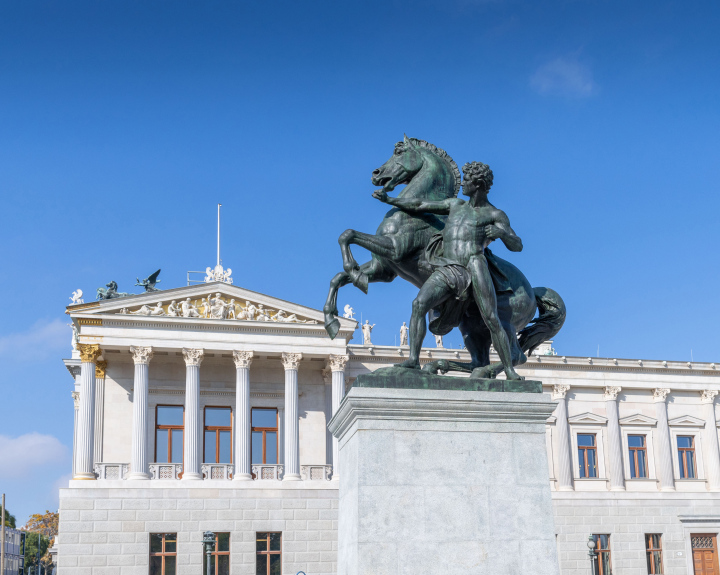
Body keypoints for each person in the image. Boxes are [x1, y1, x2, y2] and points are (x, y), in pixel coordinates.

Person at [373, 161, 524, 380]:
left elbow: (517, 245)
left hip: (475, 266)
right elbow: (420, 205)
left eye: (468, 181)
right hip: (449, 267)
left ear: (479, 184)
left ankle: (510, 371)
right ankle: (414, 360)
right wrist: (391, 200)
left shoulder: (494, 214)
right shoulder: (456, 205)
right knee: (419, 304)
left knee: (491, 318)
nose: (463, 185)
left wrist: (503, 235)